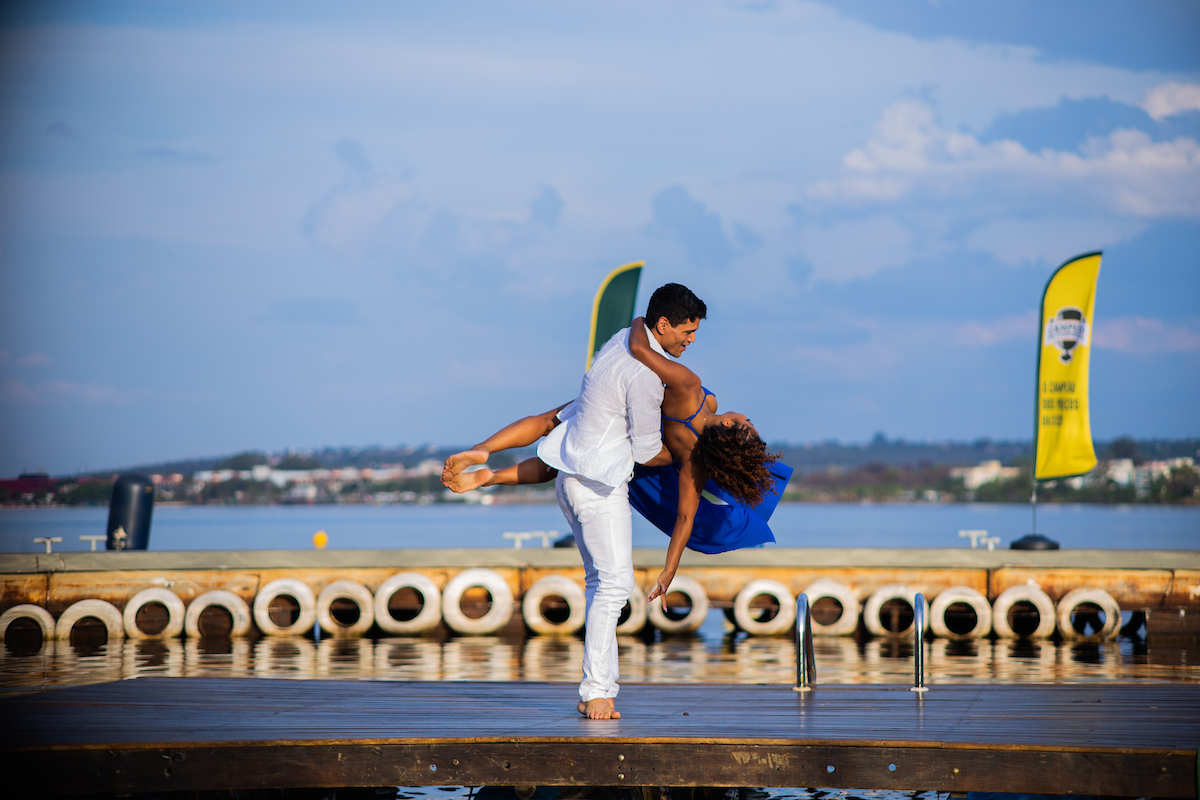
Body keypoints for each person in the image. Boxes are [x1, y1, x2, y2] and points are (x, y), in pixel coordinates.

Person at [443, 283, 706, 721]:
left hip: (566, 481)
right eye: (688, 331)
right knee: (615, 587)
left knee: (599, 584)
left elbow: (550, 420)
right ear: (664, 325)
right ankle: (597, 691)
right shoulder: (645, 377)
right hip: (598, 492)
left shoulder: (620, 340)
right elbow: (645, 453)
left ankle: (594, 691)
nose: (691, 340)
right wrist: (685, 456)